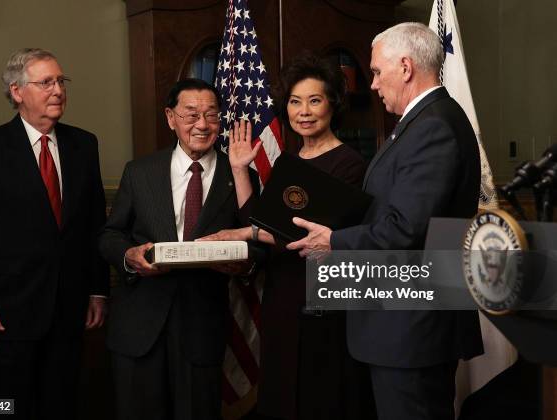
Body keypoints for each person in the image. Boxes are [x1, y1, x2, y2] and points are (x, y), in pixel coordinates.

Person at [287, 23, 484, 420]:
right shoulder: (423, 121)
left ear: (406, 68)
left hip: (412, 327)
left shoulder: (432, 126)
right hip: (402, 324)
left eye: (377, 72)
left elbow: (405, 227)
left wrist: (334, 241)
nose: (373, 84)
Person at [202, 53, 371, 420]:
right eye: (295, 102)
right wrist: (240, 169)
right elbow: (261, 219)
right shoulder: (287, 162)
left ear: (333, 105)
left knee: (318, 397)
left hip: (320, 300)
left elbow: (300, 236)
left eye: (314, 100)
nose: (304, 111)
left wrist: (243, 231)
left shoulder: (349, 164)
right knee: (281, 395)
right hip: (280, 294)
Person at [0, 48, 109, 419]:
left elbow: (93, 227)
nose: (57, 90)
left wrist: (97, 289)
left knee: (60, 404)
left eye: (60, 81)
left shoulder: (84, 145)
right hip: (5, 316)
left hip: (69, 313)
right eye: (46, 82)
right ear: (17, 91)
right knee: (2, 408)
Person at [99, 78, 258, 420]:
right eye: (191, 115)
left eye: (212, 116)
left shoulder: (240, 174)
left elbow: (258, 245)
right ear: (171, 118)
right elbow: (111, 235)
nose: (202, 125)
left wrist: (241, 265)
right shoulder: (140, 172)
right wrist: (129, 257)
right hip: (139, 327)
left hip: (201, 328)